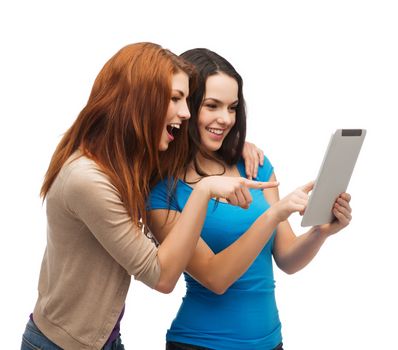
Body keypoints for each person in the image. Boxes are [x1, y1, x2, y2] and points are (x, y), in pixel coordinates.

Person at [21, 43, 277, 350]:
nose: (185, 112)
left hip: (106, 341)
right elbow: (162, 276)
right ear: (139, 100)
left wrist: (235, 147)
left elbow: (186, 152)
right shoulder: (88, 180)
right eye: (176, 99)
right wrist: (206, 189)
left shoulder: (130, 162)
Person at [147, 48, 353, 350]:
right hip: (202, 343)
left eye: (232, 107)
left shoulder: (254, 164)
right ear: (187, 107)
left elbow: (287, 258)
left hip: (271, 341)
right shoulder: (163, 190)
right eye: (212, 106)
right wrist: (274, 214)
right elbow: (216, 278)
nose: (225, 119)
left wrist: (322, 231)